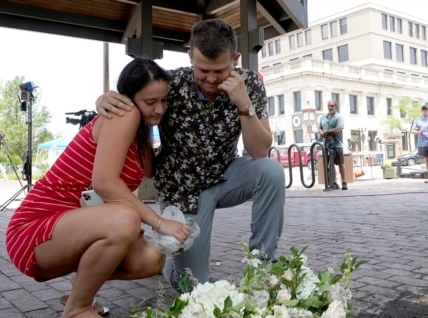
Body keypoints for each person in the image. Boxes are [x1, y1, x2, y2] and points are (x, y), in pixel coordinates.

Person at [5, 57, 190, 318]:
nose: (160, 109)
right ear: (128, 99)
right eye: (150, 101)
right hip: (35, 228)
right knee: (125, 219)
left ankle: (81, 289)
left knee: (152, 258)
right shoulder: (124, 114)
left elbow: (152, 170)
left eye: (165, 100)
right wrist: (158, 221)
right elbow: (105, 183)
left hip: (74, 227)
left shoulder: (141, 132)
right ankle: (75, 312)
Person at [95, 18, 285, 291]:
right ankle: (171, 265)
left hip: (226, 175)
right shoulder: (171, 85)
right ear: (190, 57)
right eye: (202, 69)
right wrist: (103, 99)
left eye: (219, 71)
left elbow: (259, 151)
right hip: (183, 189)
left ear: (235, 59)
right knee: (193, 287)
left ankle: (263, 268)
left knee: (271, 171)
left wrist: (244, 105)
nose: (210, 79)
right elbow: (136, 97)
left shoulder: (250, 84)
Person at [317, 99, 347, 190]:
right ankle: (334, 183)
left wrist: (326, 132)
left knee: (341, 163)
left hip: (337, 145)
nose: (330, 107)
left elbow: (338, 129)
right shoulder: (323, 118)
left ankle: (344, 182)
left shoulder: (339, 117)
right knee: (330, 164)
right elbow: (319, 128)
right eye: (329, 106)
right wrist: (321, 132)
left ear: (336, 106)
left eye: (332, 106)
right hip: (326, 145)